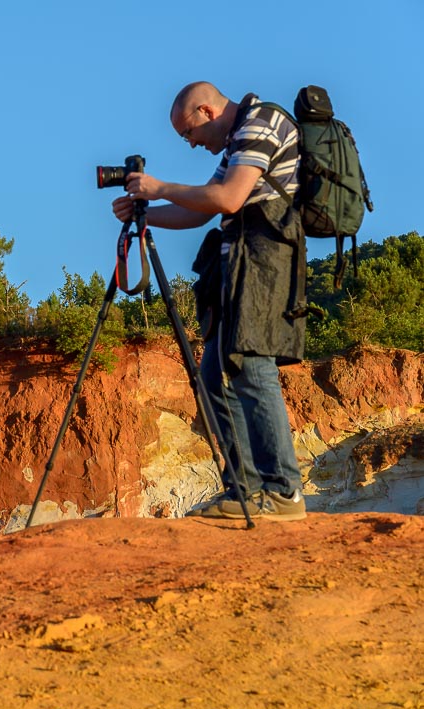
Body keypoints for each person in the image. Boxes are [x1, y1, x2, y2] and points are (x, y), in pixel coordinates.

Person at [112, 81, 306, 521]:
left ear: (206, 110)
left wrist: (159, 187)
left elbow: (228, 198)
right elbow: (200, 211)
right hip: (239, 261)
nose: (191, 143)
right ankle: (245, 489)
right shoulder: (236, 143)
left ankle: (283, 491)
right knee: (214, 371)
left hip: (265, 261)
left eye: (189, 132)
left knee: (252, 365)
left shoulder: (261, 123)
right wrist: (144, 216)